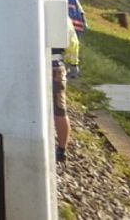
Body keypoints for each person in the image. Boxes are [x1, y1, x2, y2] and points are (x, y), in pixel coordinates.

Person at [53, 12, 80, 164]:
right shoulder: (61, 14)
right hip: (56, 64)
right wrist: (73, 63)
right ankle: (61, 150)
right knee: (60, 109)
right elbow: (73, 41)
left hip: (32, 62)